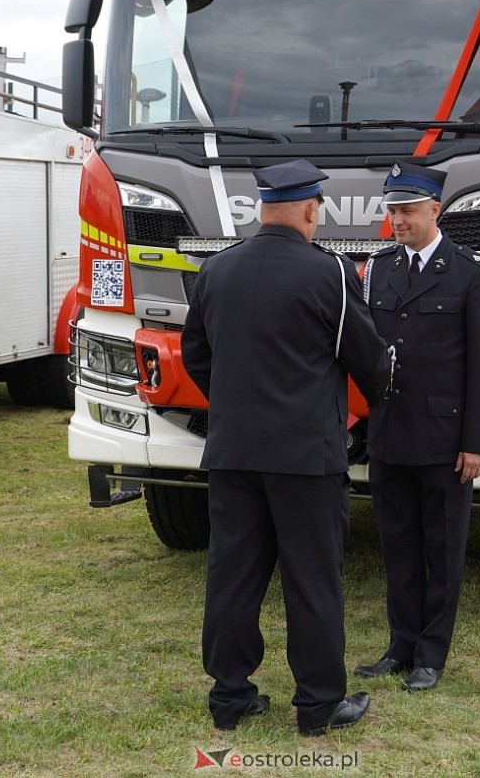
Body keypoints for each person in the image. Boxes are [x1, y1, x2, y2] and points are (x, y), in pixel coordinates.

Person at [181, 158, 390, 736]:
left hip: (232, 452)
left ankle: (229, 697)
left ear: (263, 208)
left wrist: (234, 405)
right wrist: (377, 397)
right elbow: (367, 357)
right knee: (312, 579)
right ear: (309, 209)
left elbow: (196, 354)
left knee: (232, 576)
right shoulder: (330, 273)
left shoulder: (217, 270)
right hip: (305, 456)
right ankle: (319, 705)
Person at [354, 161, 480, 692]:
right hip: (390, 434)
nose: (398, 220)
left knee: (441, 550)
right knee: (397, 547)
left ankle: (431, 655)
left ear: (434, 210)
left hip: (444, 439)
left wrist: (476, 443)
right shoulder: (379, 269)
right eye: (392, 210)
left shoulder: (471, 273)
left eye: (408, 210)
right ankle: (401, 645)